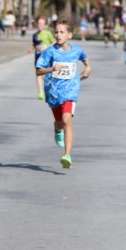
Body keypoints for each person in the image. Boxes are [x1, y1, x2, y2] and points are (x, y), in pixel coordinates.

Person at [35, 19, 91, 169]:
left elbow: (86, 59)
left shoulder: (76, 51)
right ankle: (57, 128)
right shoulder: (50, 52)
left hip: (71, 91)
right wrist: (52, 69)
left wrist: (88, 69)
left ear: (69, 35)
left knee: (67, 120)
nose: (58, 35)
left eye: (62, 32)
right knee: (60, 122)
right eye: (56, 32)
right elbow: (38, 70)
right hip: (53, 92)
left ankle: (67, 155)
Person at [29, 16, 56, 100]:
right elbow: (35, 44)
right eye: (39, 23)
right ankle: (41, 93)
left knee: (47, 75)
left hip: (47, 57)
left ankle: (50, 91)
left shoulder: (48, 33)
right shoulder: (35, 35)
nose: (40, 25)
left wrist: (47, 48)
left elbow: (54, 42)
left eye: (42, 23)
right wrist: (31, 47)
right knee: (39, 74)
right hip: (38, 57)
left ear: (44, 25)